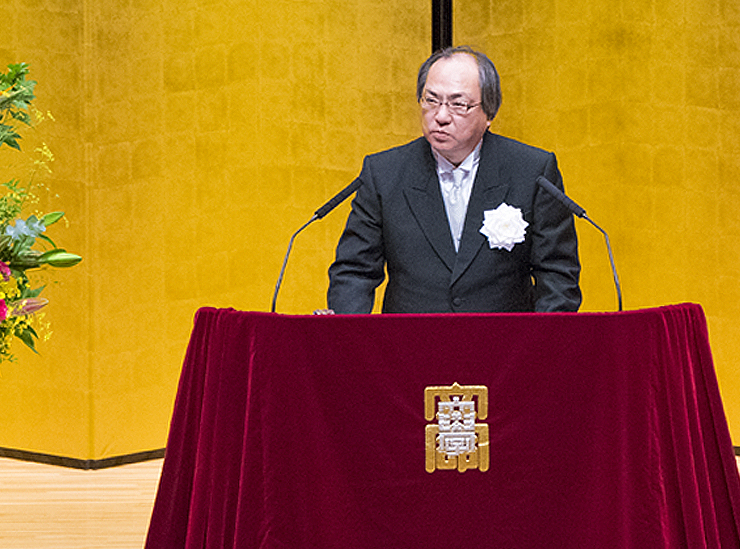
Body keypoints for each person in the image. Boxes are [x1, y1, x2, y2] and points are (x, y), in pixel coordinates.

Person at [322, 45, 581, 314]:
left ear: (489, 113)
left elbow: (557, 274)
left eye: (458, 104)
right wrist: (349, 336)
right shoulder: (384, 172)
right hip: (408, 347)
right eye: (431, 100)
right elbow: (354, 272)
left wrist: (541, 346)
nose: (441, 116)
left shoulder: (532, 171)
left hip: (506, 349)